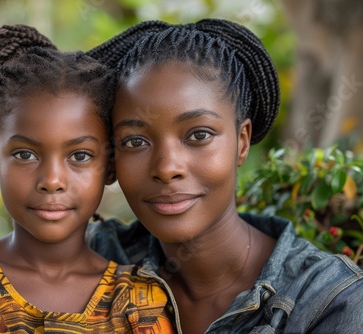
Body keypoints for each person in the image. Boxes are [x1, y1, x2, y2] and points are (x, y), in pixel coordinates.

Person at [85, 19, 363, 333]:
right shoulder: (89, 260)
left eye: (199, 135)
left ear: (242, 142)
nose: (166, 168)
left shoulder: (328, 301)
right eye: (135, 142)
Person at [0, 24, 175, 333]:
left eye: (79, 156)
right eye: (25, 155)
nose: (52, 180)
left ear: (110, 168)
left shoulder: (138, 300)